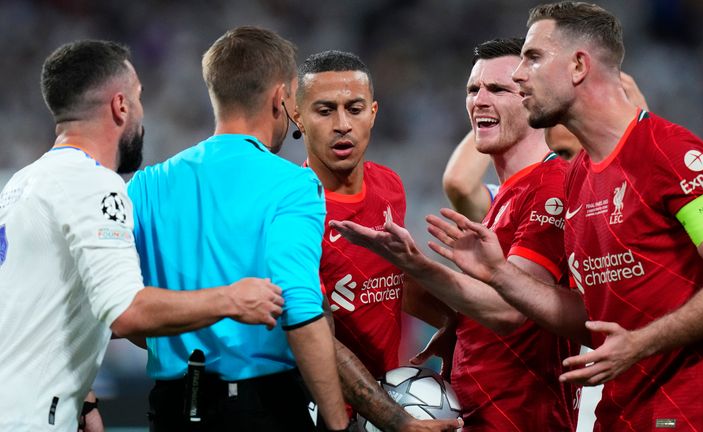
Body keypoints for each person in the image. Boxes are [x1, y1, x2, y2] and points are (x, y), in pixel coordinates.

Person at [424, 2, 703, 431]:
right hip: (618, 414)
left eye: (533, 58)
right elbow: (591, 315)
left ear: (578, 66)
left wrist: (639, 344)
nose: (518, 75)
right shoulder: (577, 178)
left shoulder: (671, 153)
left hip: (698, 414)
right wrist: (499, 276)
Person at [0, 40, 283, 432]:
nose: (141, 113)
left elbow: (32, 306)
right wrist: (232, 298)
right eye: (138, 98)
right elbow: (127, 313)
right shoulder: (95, 184)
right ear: (120, 106)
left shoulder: (24, 182)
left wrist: (82, 397)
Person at [331, 38, 578, 431]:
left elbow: (510, 311)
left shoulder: (549, 186)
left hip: (521, 419)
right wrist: (458, 324)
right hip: (483, 413)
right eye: (472, 89)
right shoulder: (511, 194)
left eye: (497, 89)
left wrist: (413, 264)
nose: (479, 99)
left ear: (535, 100)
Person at [126, 27, 348, 431]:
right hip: (261, 407)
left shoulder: (146, 185)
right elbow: (299, 308)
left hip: (171, 408)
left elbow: (126, 311)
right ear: (280, 98)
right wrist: (337, 424)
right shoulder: (294, 185)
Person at [294, 50, 461, 432]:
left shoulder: (389, 186)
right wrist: (394, 419)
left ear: (373, 112)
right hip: (323, 412)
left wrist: (451, 323)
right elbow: (311, 331)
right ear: (298, 118)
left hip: (390, 396)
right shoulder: (294, 210)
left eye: (354, 109)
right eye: (325, 110)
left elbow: (392, 280)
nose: (342, 125)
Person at [443, 72, 647, 222]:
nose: (576, 166)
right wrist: (504, 111)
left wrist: (640, 124)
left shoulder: (629, 200)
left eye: (589, 152)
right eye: (561, 153)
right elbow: (460, 183)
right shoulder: (527, 203)